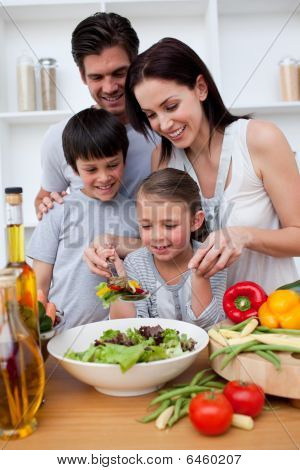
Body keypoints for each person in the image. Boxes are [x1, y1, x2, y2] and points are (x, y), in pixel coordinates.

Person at [125, 37, 300, 293]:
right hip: (204, 323)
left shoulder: (259, 139)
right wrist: (111, 245)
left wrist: (245, 236)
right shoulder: (163, 159)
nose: (163, 124)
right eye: (151, 115)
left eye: (171, 106)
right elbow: (166, 243)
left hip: (273, 316)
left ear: (200, 88)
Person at [35, 12, 157, 220]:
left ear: (136, 66)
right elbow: (43, 200)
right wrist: (46, 207)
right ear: (83, 76)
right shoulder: (59, 137)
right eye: (97, 77)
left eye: (119, 73)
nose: (110, 88)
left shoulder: (162, 127)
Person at [27, 108, 139, 330]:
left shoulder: (137, 213)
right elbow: (40, 283)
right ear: (74, 168)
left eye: (112, 165)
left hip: (122, 333)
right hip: (62, 333)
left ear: (124, 160)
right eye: (91, 169)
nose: (104, 177)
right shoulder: (57, 210)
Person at [99, 168, 226, 329]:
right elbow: (126, 327)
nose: (157, 236)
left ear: (196, 221)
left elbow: (212, 326)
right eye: (146, 226)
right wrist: (119, 281)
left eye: (169, 225)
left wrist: (201, 276)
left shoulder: (211, 259)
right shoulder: (135, 264)